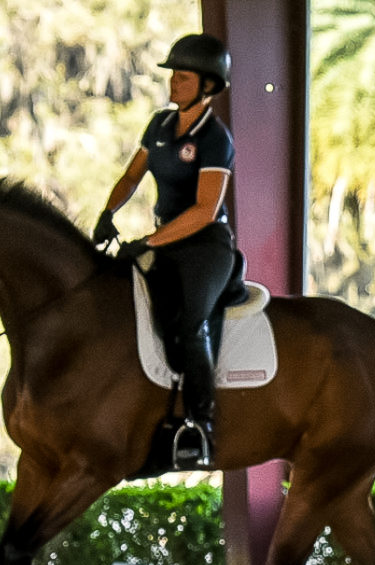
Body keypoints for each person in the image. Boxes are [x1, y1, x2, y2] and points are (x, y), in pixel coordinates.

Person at [93, 33, 236, 469]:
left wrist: (149, 242)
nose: (173, 83)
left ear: (208, 85)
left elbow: (205, 210)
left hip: (205, 248)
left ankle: (201, 427)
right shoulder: (158, 125)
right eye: (173, 75)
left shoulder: (215, 138)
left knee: (189, 323)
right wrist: (108, 211)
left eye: (184, 76)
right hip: (166, 240)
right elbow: (132, 176)